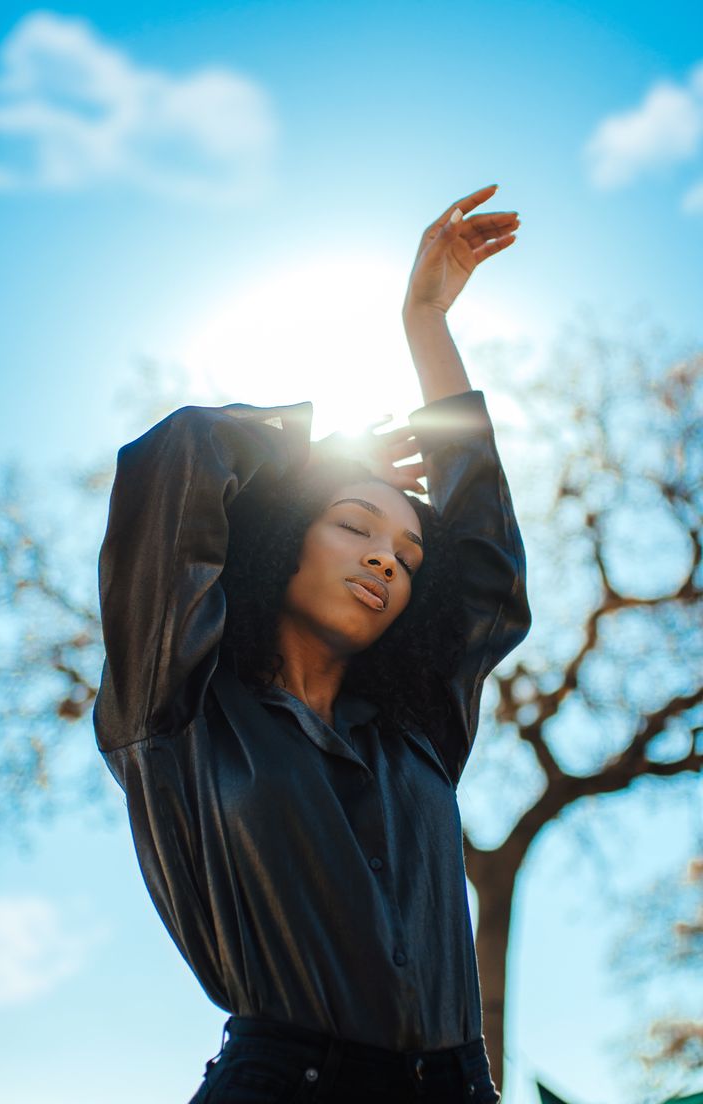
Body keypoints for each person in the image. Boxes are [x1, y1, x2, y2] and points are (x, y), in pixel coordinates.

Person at [94, 183, 531, 1104]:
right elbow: (176, 469)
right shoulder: (177, 713)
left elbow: (485, 557)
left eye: (409, 556)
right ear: (283, 537)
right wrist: (318, 460)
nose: (386, 561)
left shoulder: (417, 734)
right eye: (351, 526)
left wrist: (426, 324)